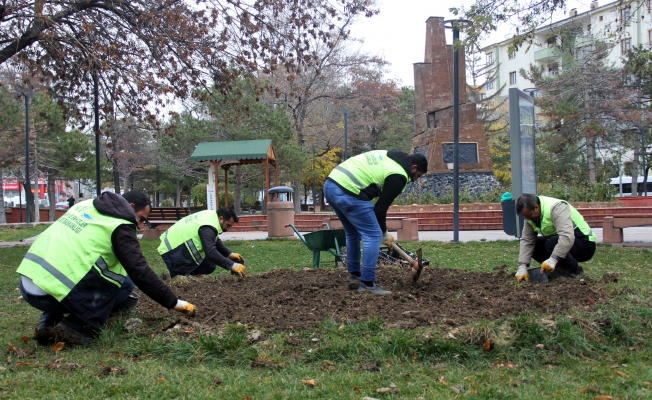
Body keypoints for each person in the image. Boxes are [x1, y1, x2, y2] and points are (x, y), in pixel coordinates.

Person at [17, 191, 197, 346]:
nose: (141, 226)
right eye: (141, 219)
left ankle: (48, 322)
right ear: (131, 206)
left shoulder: (87, 205)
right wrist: (175, 303)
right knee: (125, 283)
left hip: (29, 284)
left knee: (81, 270)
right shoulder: (122, 224)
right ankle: (73, 327)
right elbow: (139, 270)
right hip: (51, 293)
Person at [323, 150, 428, 295]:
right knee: (373, 235)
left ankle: (355, 275)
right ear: (414, 168)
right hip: (349, 190)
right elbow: (380, 209)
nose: (415, 180)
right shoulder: (399, 175)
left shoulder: (388, 156)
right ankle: (367, 283)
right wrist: (383, 233)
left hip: (331, 184)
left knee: (352, 232)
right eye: (418, 176)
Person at [514, 193, 596, 281]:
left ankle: (576, 272)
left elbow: (567, 237)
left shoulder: (556, 208)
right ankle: (559, 270)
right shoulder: (531, 217)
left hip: (584, 244)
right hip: (563, 243)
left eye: (529, 215)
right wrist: (522, 266)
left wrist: (553, 259)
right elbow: (527, 241)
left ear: (536, 207)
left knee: (551, 244)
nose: (527, 218)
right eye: (525, 216)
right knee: (536, 244)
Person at [158, 207, 247, 278]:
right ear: (221, 218)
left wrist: (229, 254)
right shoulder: (208, 226)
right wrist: (232, 265)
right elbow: (211, 251)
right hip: (174, 250)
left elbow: (213, 239)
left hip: (173, 245)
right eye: (228, 225)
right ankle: (177, 275)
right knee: (205, 265)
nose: (228, 229)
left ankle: (182, 275)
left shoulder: (211, 217)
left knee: (210, 266)